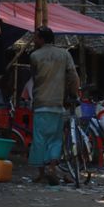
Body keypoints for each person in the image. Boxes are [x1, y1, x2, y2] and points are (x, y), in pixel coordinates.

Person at [27, 26, 79, 185]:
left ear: (42, 39)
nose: (34, 40)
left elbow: (35, 78)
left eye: (36, 37)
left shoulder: (34, 56)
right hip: (57, 103)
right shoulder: (65, 54)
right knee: (55, 138)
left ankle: (41, 173)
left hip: (41, 102)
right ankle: (52, 168)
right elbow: (73, 76)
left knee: (39, 138)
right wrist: (74, 94)